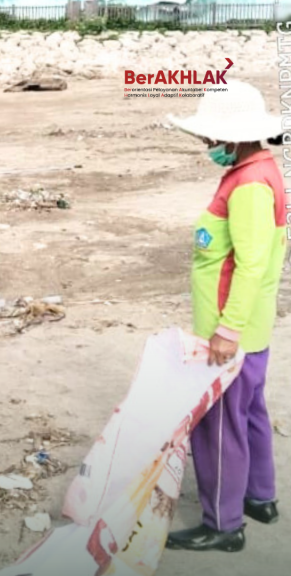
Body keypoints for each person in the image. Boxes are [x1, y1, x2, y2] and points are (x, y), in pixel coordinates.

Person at [164, 80, 285, 552]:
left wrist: (226, 330)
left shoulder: (250, 184)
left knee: (218, 428)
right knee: (250, 413)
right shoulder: (256, 170)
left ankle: (223, 523)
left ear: (233, 138)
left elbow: (251, 262)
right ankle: (260, 496)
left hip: (230, 329)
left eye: (212, 140)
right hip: (250, 326)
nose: (208, 146)